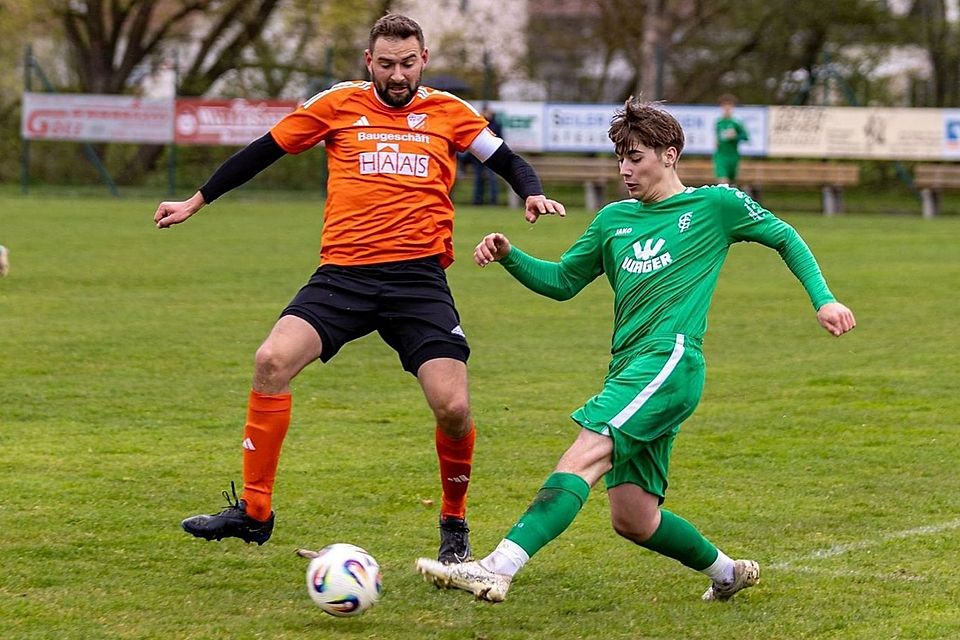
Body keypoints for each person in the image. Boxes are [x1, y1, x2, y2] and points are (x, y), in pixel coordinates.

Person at [152, 13, 565, 563]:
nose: (398, 75)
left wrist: (530, 192)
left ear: (424, 60)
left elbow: (505, 158)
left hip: (418, 281)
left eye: (408, 62)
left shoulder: (449, 112)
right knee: (271, 361)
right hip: (344, 275)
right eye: (387, 64)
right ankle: (253, 512)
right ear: (370, 62)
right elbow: (263, 151)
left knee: (453, 406)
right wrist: (195, 202)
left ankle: (454, 521)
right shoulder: (338, 104)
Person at [416, 97, 856, 602]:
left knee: (582, 455)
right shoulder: (613, 220)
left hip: (669, 360)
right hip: (630, 369)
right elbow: (562, 281)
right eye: (621, 157)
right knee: (633, 517)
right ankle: (727, 571)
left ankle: (498, 566)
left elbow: (785, 236)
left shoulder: (715, 205)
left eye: (637, 157)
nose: (626, 169)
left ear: (670, 154)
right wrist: (511, 256)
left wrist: (823, 299)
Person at [713, 94, 749, 184]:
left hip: (733, 155)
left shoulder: (736, 123)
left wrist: (735, 136)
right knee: (723, 182)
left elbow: (746, 137)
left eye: (729, 105)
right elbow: (718, 137)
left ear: (732, 107)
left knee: (731, 183)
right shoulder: (718, 123)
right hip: (721, 155)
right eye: (724, 105)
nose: (726, 108)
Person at [472, 105, 503, 205]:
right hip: (478, 156)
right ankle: (477, 200)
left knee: (492, 179)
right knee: (478, 179)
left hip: (492, 156)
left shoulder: (496, 124)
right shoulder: (478, 123)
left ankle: (494, 201)